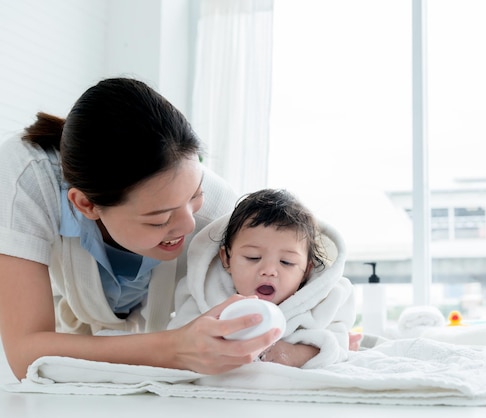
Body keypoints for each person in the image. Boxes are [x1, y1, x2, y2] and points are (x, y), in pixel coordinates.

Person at [0, 77, 281, 380]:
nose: (188, 225)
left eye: (195, 195)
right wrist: (175, 348)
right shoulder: (27, 175)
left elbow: (312, 295)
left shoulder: (219, 211)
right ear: (86, 205)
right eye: (159, 219)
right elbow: (25, 355)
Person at [168, 189, 356, 368]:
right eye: (253, 257)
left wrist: (294, 354)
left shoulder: (322, 300)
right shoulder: (206, 292)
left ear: (306, 271)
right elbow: (179, 338)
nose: (269, 271)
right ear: (226, 259)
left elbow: (337, 345)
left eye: (286, 262)